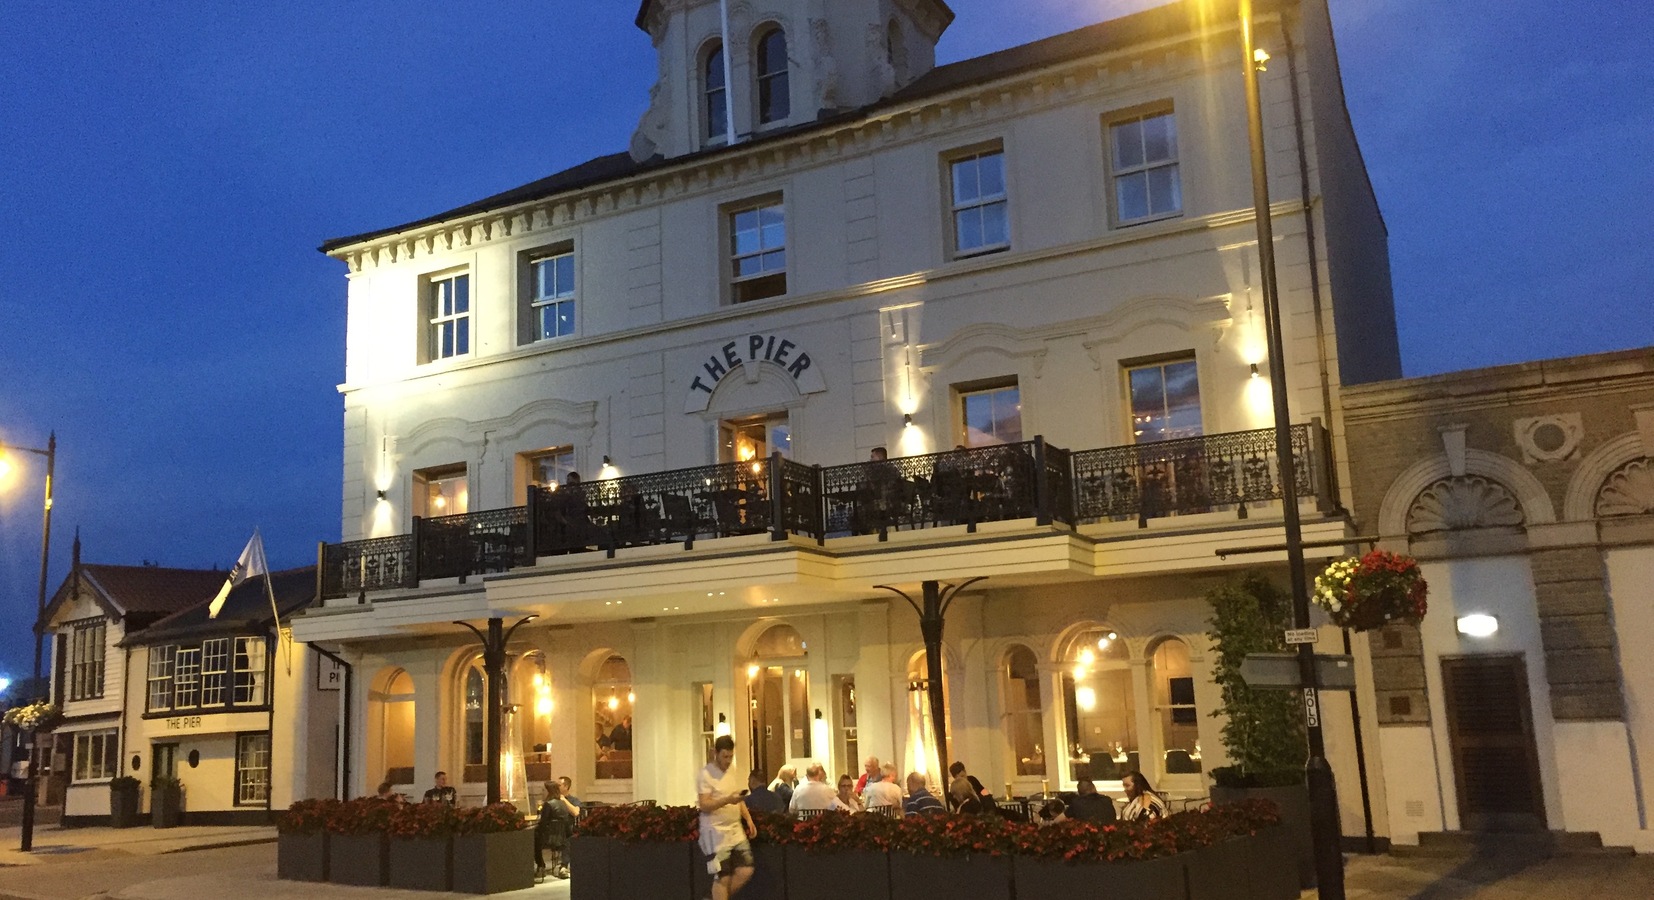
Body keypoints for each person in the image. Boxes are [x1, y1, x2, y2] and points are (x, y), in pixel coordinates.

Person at [697, 735, 757, 900]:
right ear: (715, 753)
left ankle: (712, 898)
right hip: (715, 832)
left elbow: (737, 797)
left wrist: (748, 819)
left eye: (731, 756)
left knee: (746, 869)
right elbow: (704, 804)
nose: (728, 760)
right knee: (723, 876)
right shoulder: (706, 775)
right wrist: (727, 800)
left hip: (734, 829)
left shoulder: (732, 770)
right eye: (725, 756)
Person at [535, 780, 577, 880]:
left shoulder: (548, 804)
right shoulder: (562, 804)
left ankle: (541, 866)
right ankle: (563, 867)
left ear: (548, 791)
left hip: (549, 839)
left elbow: (543, 824)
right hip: (562, 838)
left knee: (534, 839)